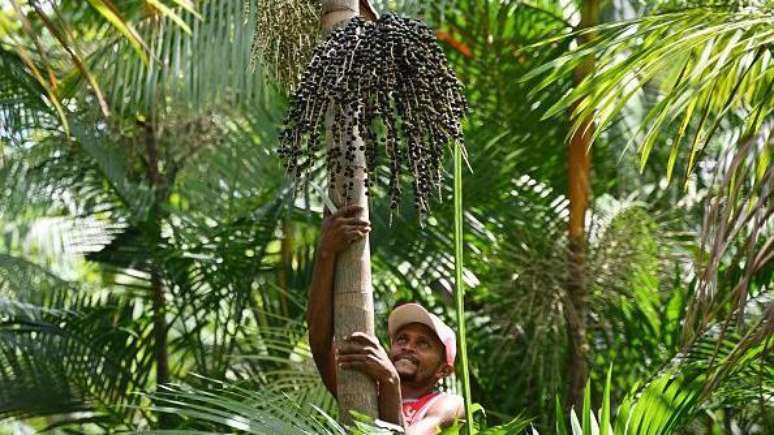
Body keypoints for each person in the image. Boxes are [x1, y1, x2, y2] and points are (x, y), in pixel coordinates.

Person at [307, 204, 465, 434]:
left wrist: (390, 381)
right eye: (402, 339)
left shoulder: (447, 405)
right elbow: (320, 347)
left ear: (443, 370)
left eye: (423, 343)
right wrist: (326, 253)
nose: (408, 347)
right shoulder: (365, 389)